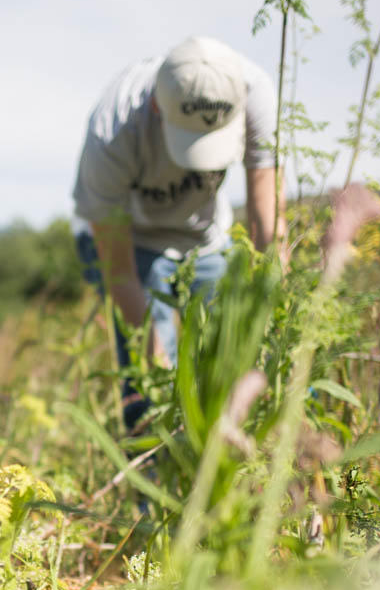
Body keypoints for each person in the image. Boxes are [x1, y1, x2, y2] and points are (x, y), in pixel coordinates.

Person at [71, 36, 279, 431]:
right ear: (156, 107)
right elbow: (119, 271)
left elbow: (267, 226)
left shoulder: (254, 92)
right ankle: (151, 480)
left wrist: (272, 311)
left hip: (205, 239)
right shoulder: (113, 128)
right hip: (132, 244)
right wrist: (161, 376)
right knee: (149, 387)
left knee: (229, 370)